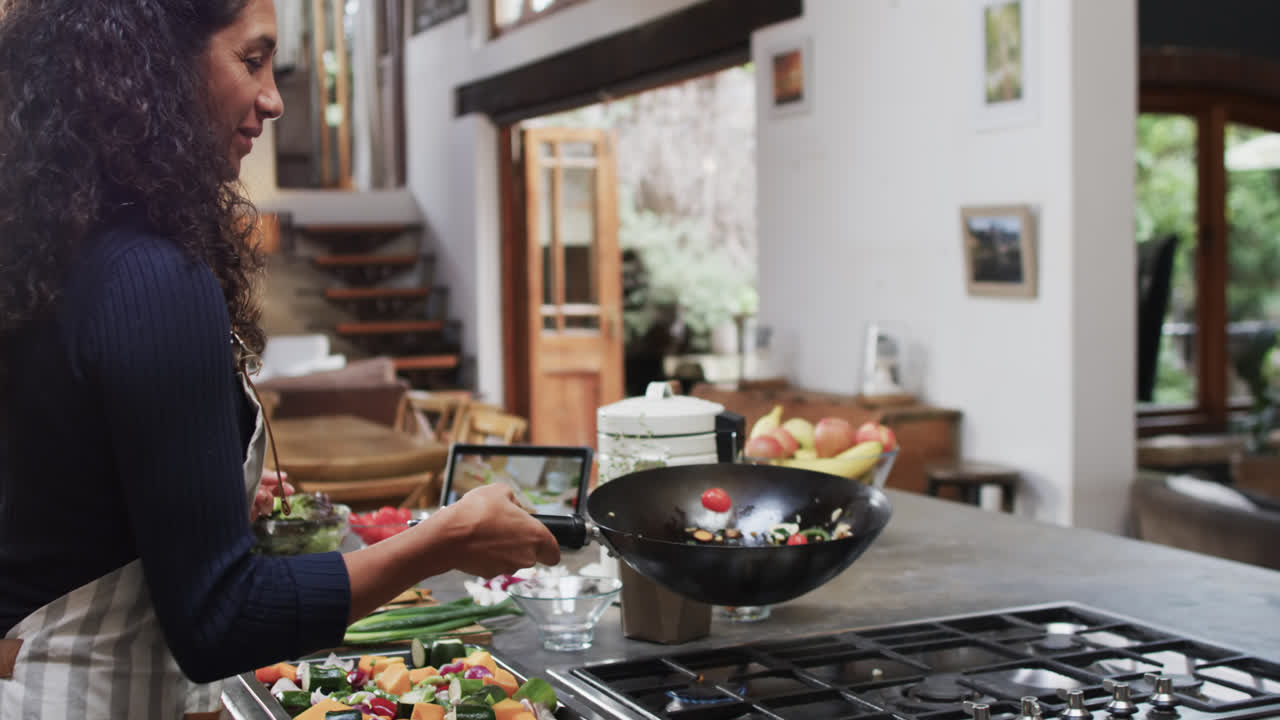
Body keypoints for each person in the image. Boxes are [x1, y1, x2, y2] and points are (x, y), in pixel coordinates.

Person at [0, 1, 560, 718]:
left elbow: (65, 497)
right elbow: (219, 622)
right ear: (154, 63)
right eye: (252, 60)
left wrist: (201, 498)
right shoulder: (150, 276)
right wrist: (444, 539)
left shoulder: (61, 247)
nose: (273, 98)